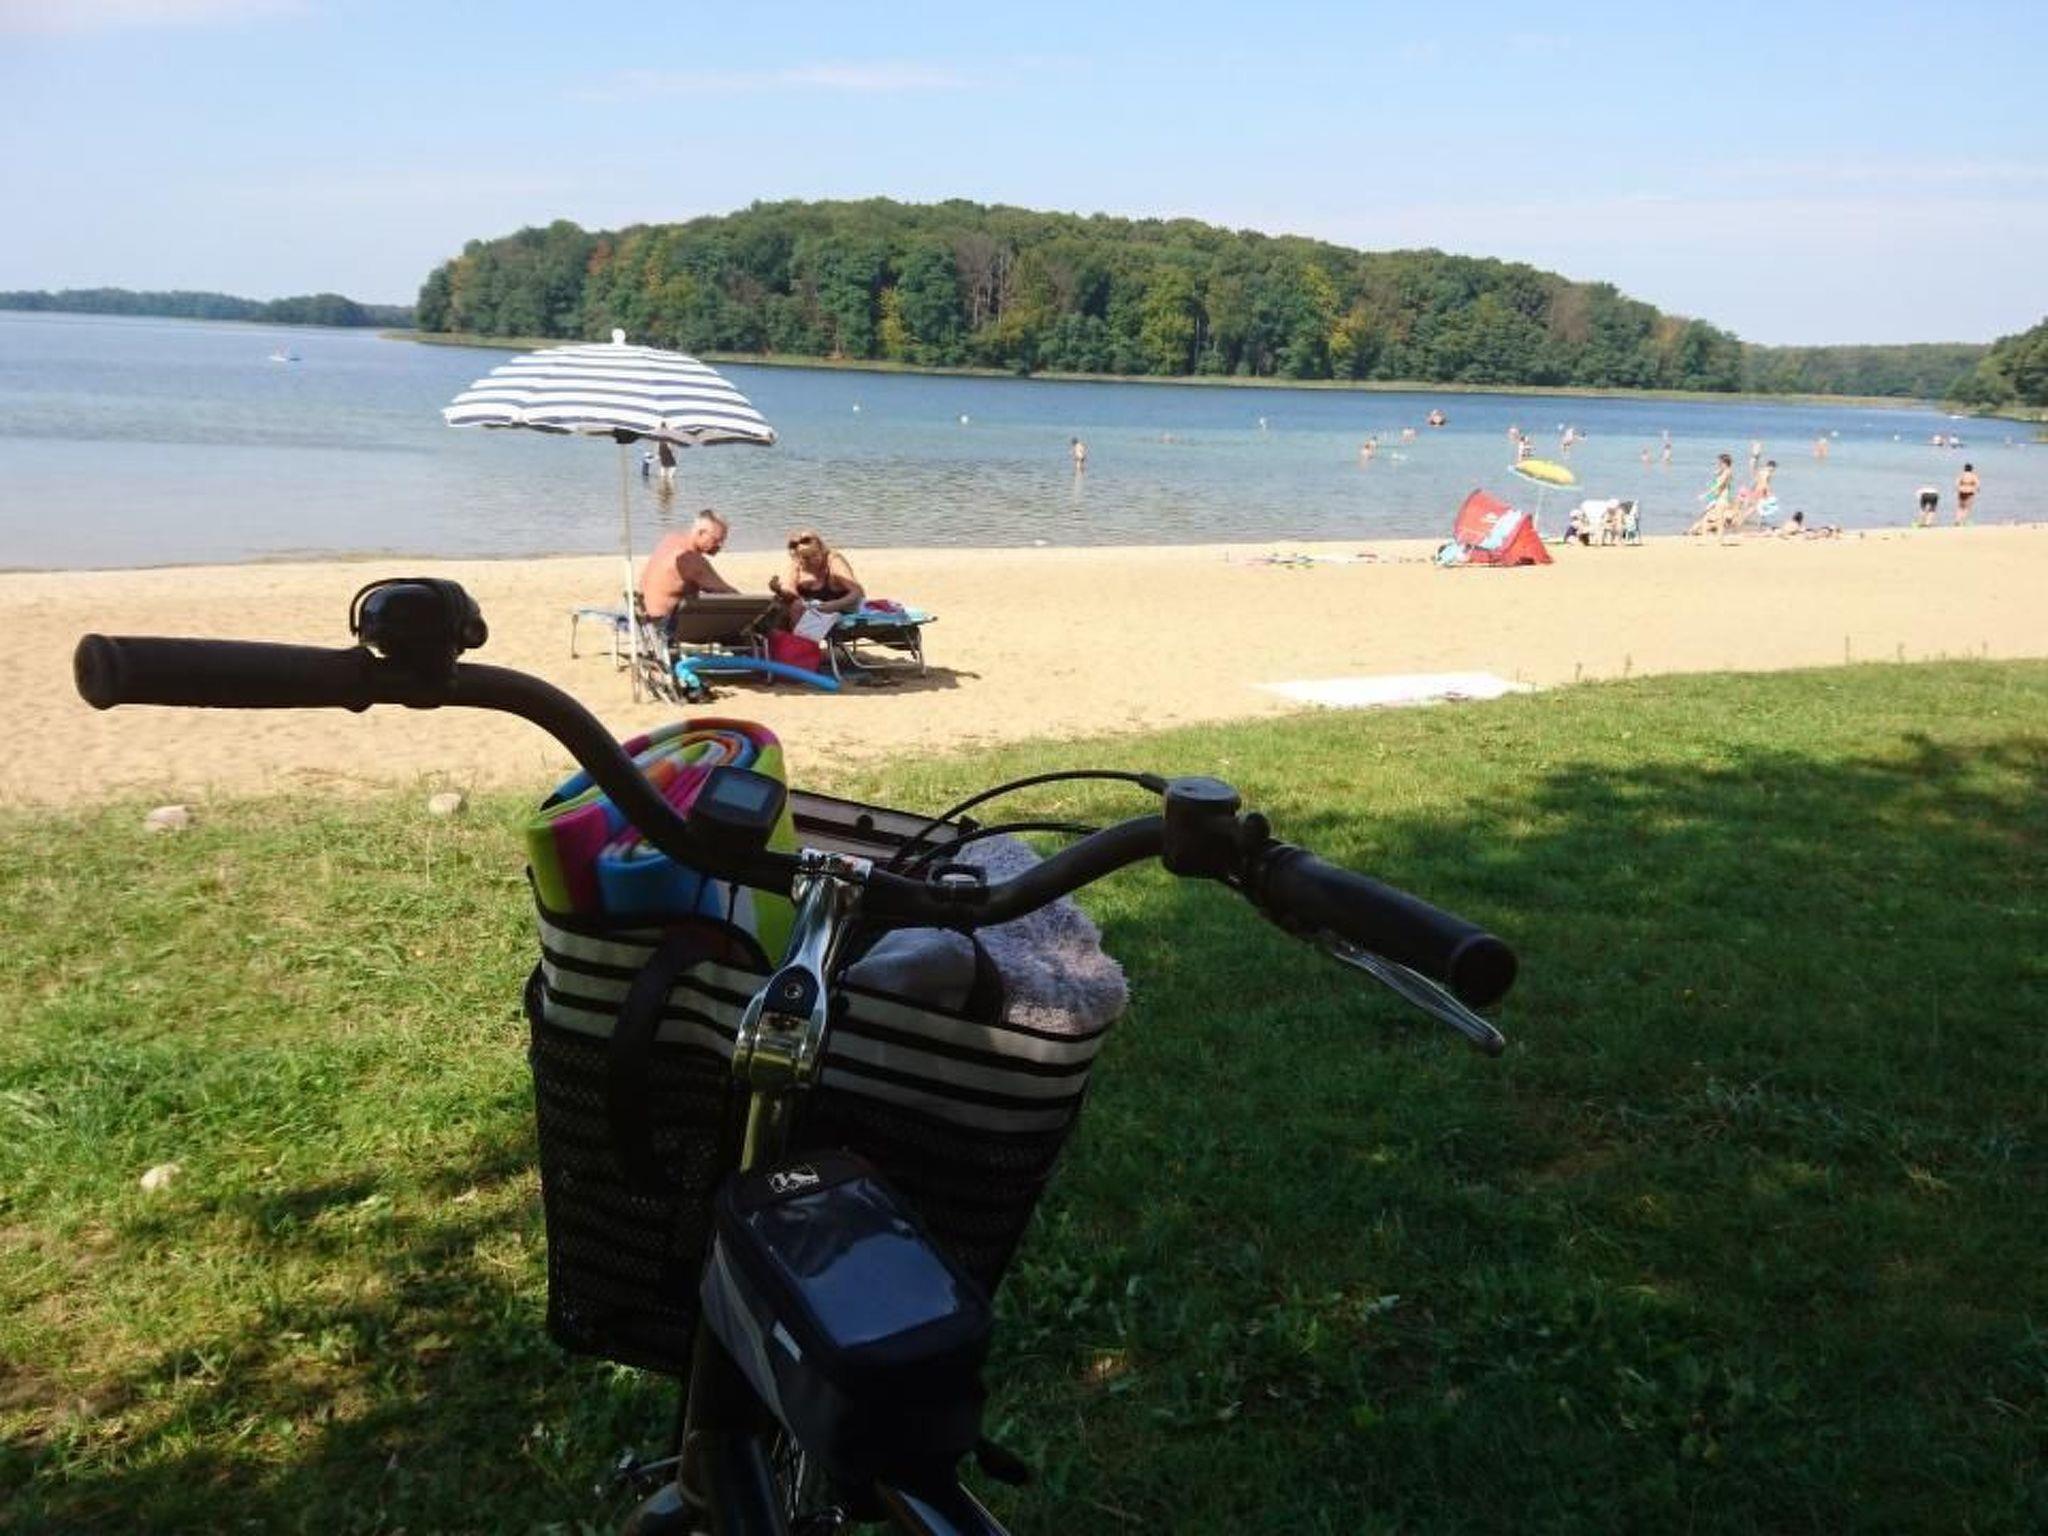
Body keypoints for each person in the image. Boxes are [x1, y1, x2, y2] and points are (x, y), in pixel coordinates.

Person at [639, 510, 736, 621]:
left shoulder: (672, 539)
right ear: (701, 533)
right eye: (717, 540)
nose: (720, 546)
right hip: (663, 623)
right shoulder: (688, 559)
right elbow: (726, 592)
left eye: (723, 540)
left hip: (646, 614)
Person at [770, 528, 865, 622]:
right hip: (812, 611)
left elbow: (857, 592)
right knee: (782, 603)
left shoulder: (833, 560)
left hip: (840, 610)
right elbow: (792, 595)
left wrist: (835, 605)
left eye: (815, 555)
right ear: (797, 557)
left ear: (821, 549)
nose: (812, 561)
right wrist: (779, 590)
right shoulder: (797, 564)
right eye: (806, 558)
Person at [1688, 453, 1736, 536]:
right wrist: (1719, 472)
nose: (1718, 464)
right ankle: (1710, 536)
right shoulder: (1725, 471)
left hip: (1722, 498)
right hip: (1719, 498)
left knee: (1719, 520)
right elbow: (1717, 475)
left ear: (1724, 463)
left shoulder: (1727, 472)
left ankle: (1719, 538)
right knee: (1709, 517)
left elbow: (1719, 485)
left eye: (1720, 462)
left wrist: (1705, 494)